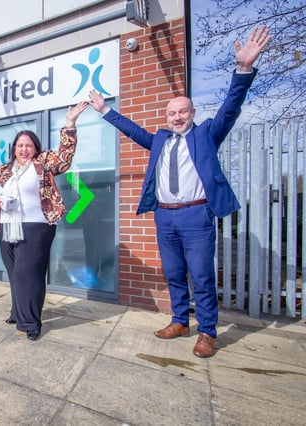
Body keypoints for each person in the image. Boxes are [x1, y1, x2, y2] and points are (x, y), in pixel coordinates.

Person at [88, 25, 271, 358]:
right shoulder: (159, 139)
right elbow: (133, 131)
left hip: (196, 214)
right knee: (173, 272)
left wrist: (243, 69)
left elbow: (230, 109)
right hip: (165, 217)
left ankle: (208, 332)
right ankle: (179, 321)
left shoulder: (206, 135)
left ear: (192, 113)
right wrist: (104, 111)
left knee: (201, 275)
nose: (177, 117)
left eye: (182, 111)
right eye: (172, 113)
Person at [0, 101, 89, 341]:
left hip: (36, 226)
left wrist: (69, 124)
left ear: (35, 148)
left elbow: (64, 159)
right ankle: (17, 311)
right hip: (6, 227)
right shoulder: (3, 170)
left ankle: (30, 322)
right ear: (14, 149)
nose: (24, 149)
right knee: (14, 273)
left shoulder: (43, 163)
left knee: (28, 273)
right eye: (20, 145)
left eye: (28, 145)